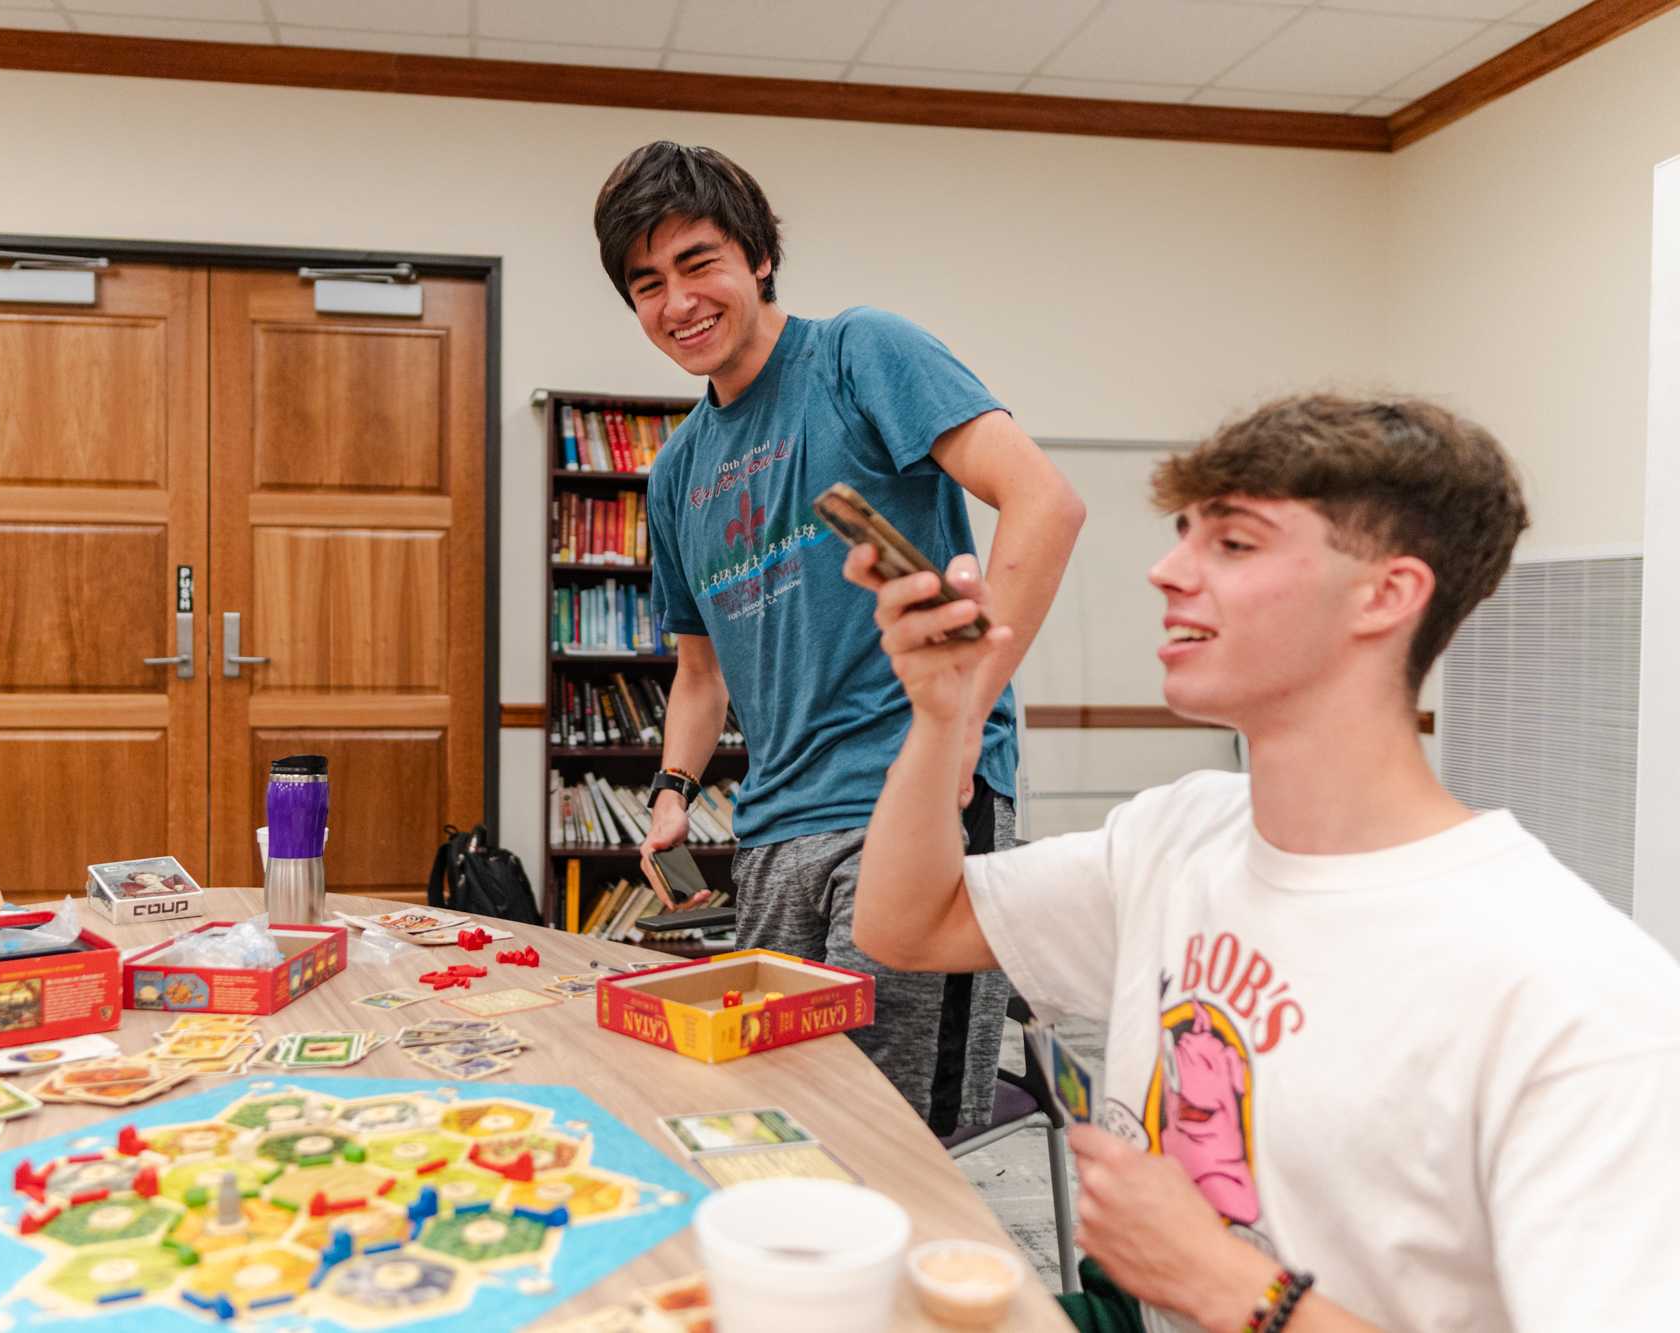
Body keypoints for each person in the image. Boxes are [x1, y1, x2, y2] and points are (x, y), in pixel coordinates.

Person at [849, 394, 1680, 1330]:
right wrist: (941, 713)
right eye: (1182, 535)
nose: (1166, 572)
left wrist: (1230, 1283)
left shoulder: (1583, 995)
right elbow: (905, 923)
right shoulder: (1175, 835)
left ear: (1388, 594)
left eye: (1233, 544)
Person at [592, 141, 1085, 1133]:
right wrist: (670, 795)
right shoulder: (676, 470)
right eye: (647, 284)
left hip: (905, 802)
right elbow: (698, 672)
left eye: (698, 263)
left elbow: (1045, 500)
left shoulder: (860, 351)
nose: (677, 302)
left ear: (758, 257)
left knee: (895, 1132)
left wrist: (963, 713)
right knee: (793, 1115)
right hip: (773, 829)